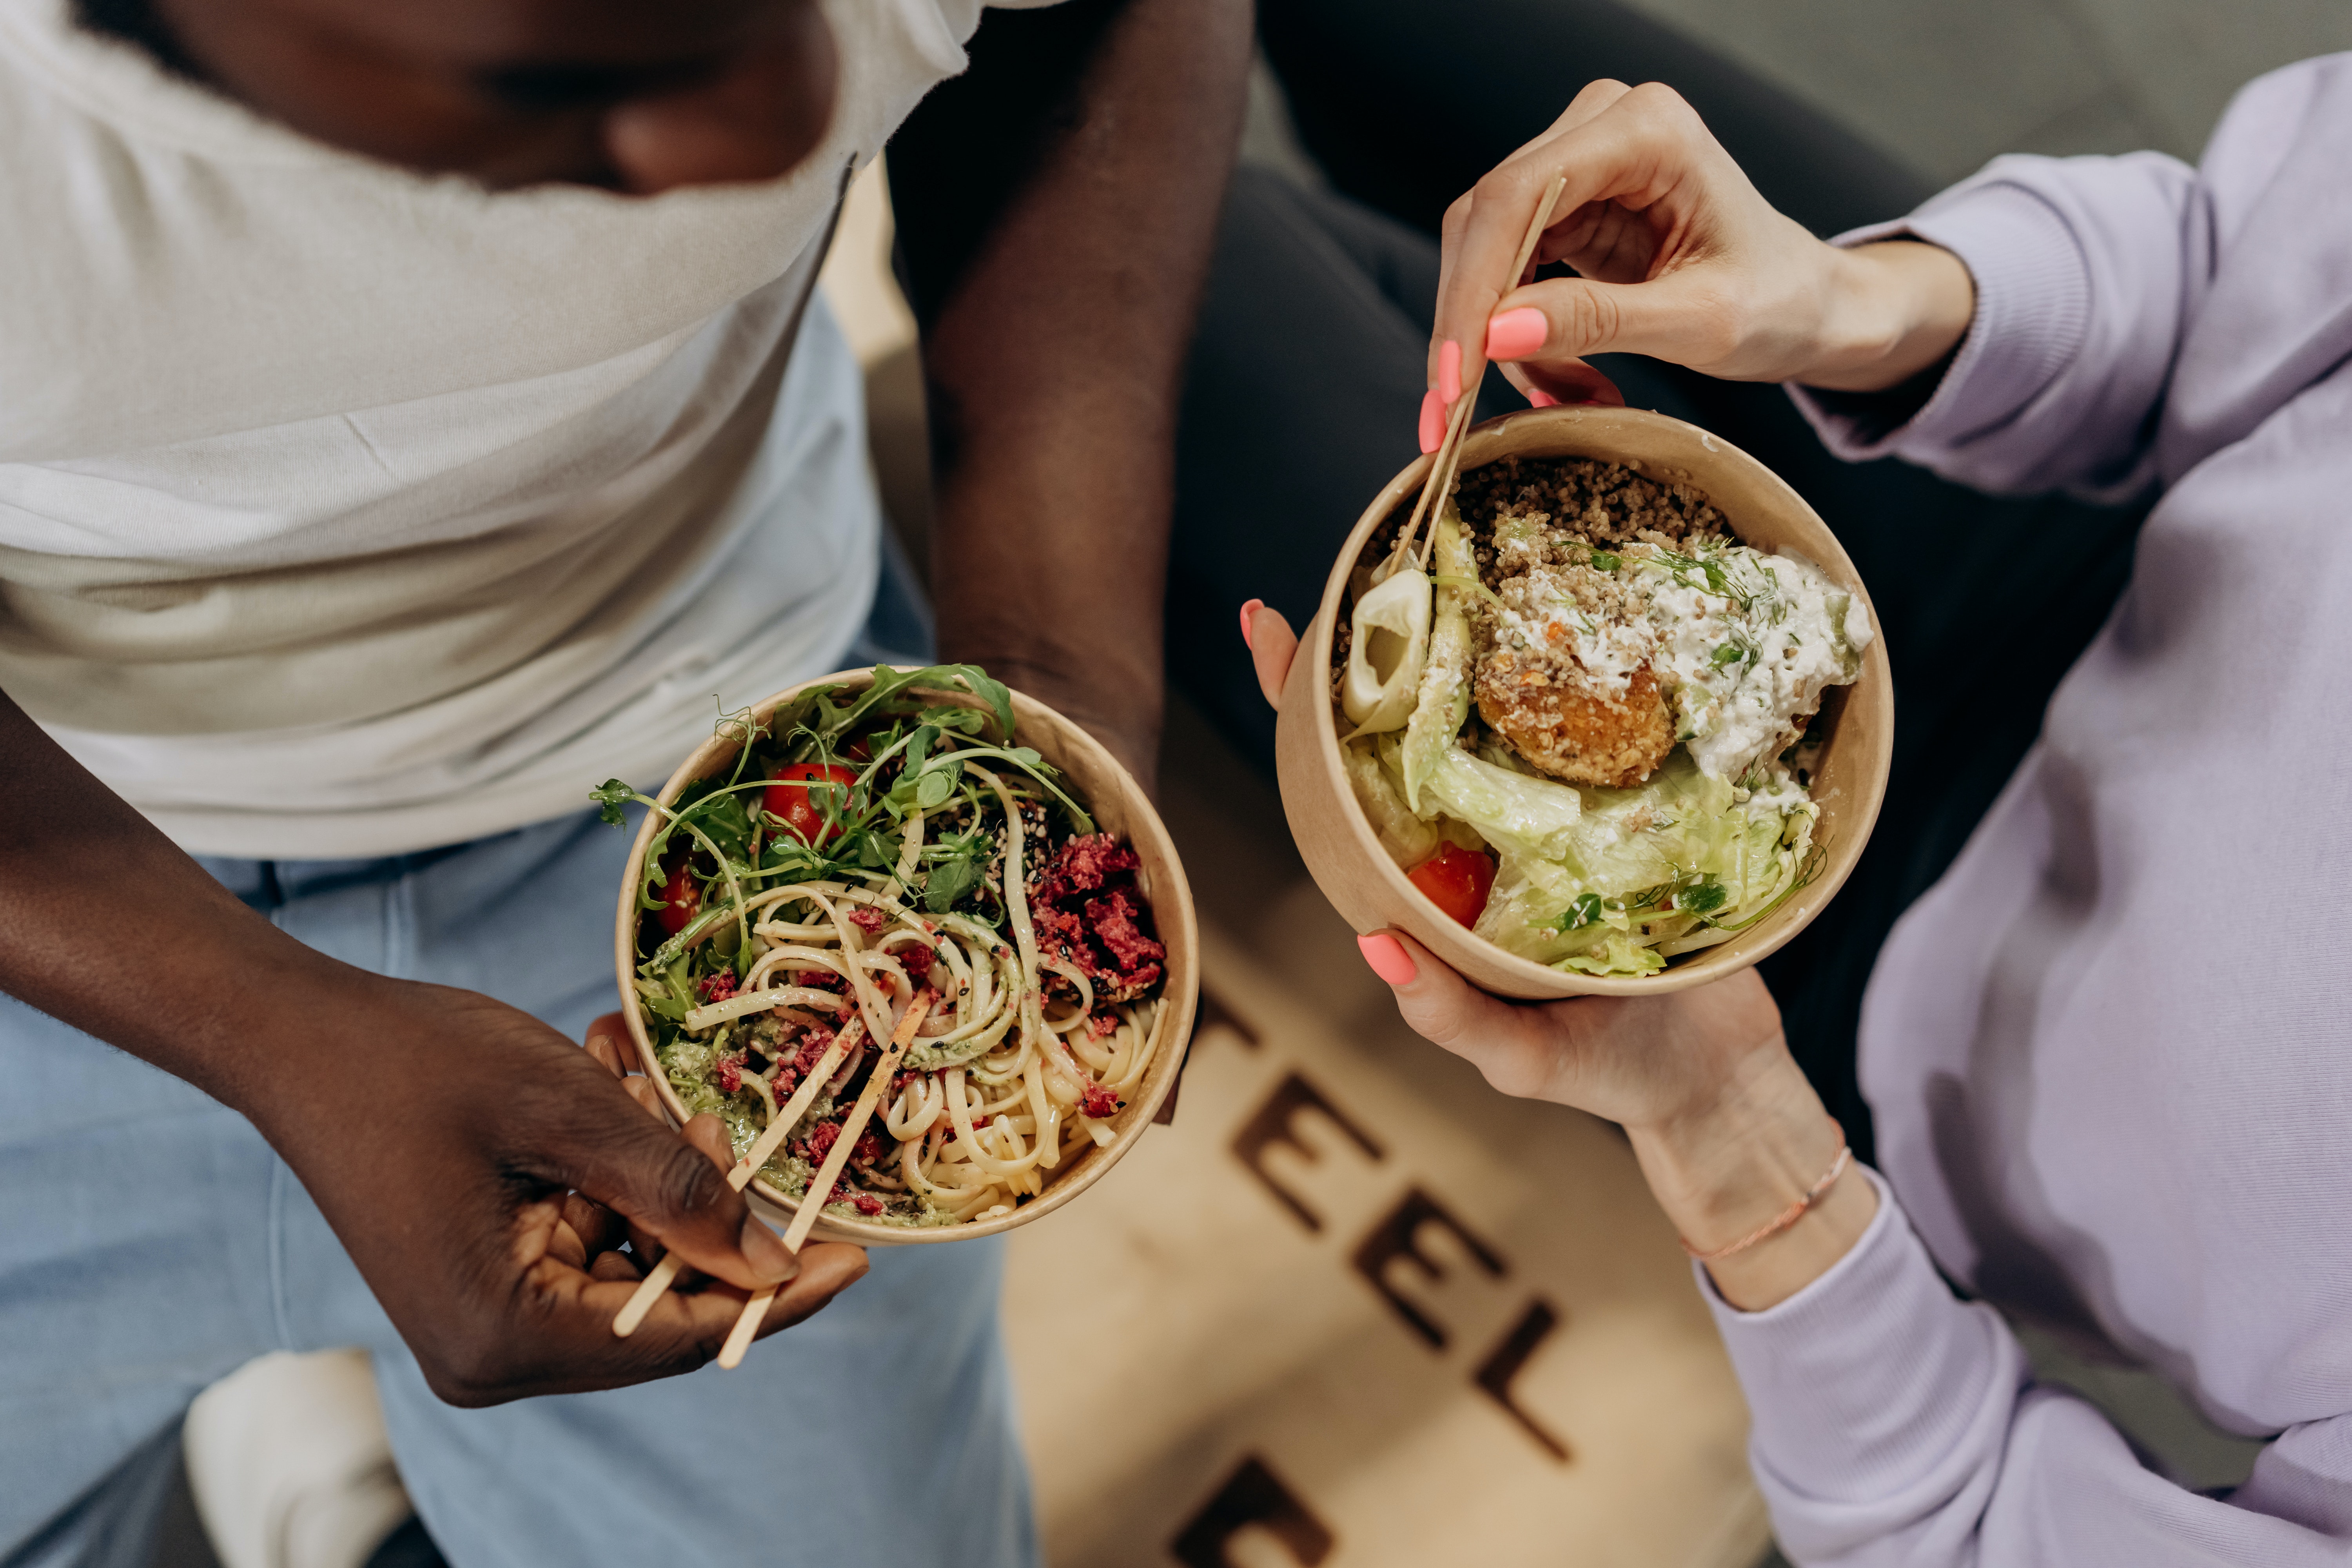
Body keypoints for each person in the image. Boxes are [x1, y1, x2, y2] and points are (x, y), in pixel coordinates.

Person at [0, 0, 1245, 1563]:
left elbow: (1084, 34)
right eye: (559, 73)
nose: (783, 140)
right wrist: (263, 1026)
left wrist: (1059, 685)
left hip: (704, 735)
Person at [1236, 43, 2352, 1568]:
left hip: (1844, 1028)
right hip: (2046, 508)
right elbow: (2252, 256)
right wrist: (1864, 308)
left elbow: (1973, 1531)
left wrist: (1734, 1139)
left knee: (1171, 268)